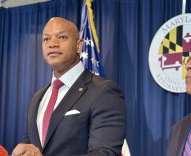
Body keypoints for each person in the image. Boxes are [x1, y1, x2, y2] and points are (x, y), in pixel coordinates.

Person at [12, 17, 126, 156]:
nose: (52, 44)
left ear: (79, 46)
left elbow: (103, 153)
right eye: (46, 39)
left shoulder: (103, 91)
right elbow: (31, 146)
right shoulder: (37, 98)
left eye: (62, 37)